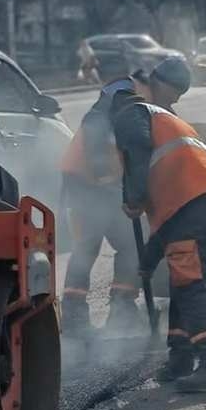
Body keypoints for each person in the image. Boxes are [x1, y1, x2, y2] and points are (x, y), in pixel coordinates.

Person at [111, 59, 206, 392]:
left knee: (189, 284)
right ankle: (180, 358)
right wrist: (148, 262)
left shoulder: (129, 114)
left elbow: (136, 150)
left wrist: (134, 197)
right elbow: (167, 224)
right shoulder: (163, 118)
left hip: (191, 201)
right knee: (186, 281)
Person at [58, 51, 140, 337]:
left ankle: (75, 314)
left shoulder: (107, 98)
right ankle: (119, 308)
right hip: (93, 184)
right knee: (128, 245)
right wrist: (112, 186)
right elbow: (100, 147)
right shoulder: (115, 101)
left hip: (83, 183)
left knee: (87, 247)